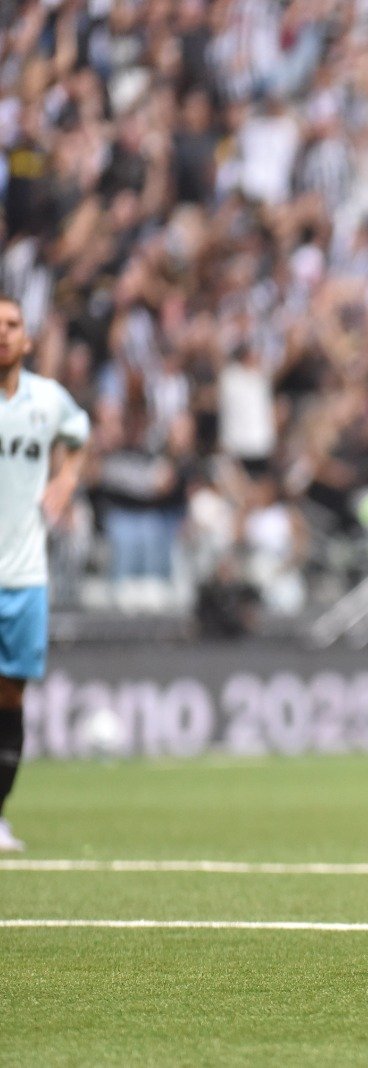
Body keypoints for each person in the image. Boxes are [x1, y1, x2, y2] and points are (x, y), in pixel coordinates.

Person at [0, 294, 90, 852]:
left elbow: (78, 438)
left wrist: (66, 480)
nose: (3, 333)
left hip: (26, 577)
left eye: (12, 325)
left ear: (28, 340)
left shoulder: (48, 400)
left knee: (9, 700)